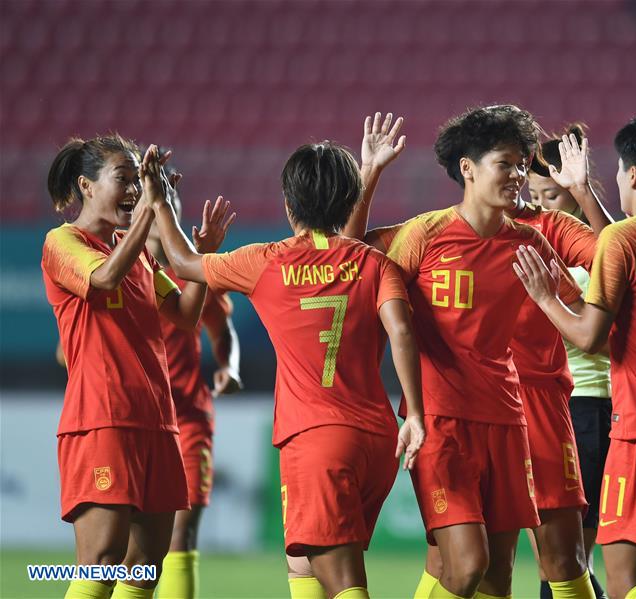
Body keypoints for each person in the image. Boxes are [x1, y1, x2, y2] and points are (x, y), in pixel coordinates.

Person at [150, 140, 425, 599]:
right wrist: (413, 413)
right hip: (376, 438)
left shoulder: (266, 261)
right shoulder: (374, 262)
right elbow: (402, 332)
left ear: (287, 202)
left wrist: (159, 202)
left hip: (315, 437)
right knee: (303, 565)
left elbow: (182, 263)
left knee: (341, 578)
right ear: (347, 198)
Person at [356, 105, 584, 599]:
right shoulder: (422, 235)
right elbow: (348, 254)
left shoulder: (530, 244)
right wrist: (369, 175)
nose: (519, 175)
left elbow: (587, 321)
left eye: (523, 164)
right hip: (440, 421)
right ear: (468, 168)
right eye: (506, 163)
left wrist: (550, 300)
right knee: (466, 565)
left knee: (497, 576)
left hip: (506, 421)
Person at [514, 115, 636, 599]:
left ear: (631, 175)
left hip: (635, 427)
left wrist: (546, 298)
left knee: (613, 580)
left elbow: (589, 334)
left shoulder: (619, 242)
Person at [42, 138, 231, 599]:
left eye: (137, 180)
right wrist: (152, 206)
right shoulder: (63, 242)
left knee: (146, 566)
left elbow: (186, 316)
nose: (132, 191)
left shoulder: (140, 253)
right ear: (86, 186)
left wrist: (200, 259)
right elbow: (103, 280)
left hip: (158, 424)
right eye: (122, 180)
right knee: (101, 562)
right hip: (102, 421)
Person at [143, 159, 243, 599]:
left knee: (181, 534)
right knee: (135, 546)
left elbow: (225, 334)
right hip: (137, 421)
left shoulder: (199, 277)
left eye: (171, 205)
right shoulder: (119, 271)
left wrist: (229, 365)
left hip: (188, 420)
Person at [526, 125, 614, 599]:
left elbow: (598, 339)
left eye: (553, 196)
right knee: (555, 563)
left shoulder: (588, 256)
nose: (542, 207)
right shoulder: (531, 246)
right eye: (534, 195)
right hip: (538, 411)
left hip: (583, 407)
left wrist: (549, 298)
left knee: (566, 562)